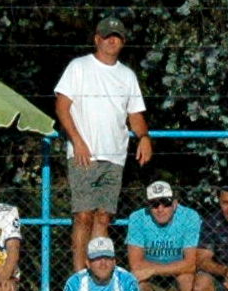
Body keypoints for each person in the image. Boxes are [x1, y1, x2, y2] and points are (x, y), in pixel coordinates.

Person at [54, 17, 150, 272]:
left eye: (116, 36)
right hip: (84, 154)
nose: (111, 40)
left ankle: (99, 271)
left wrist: (144, 138)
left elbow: (135, 115)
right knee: (83, 215)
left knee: (103, 217)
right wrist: (77, 141)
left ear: (123, 42)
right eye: (107, 36)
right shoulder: (79, 67)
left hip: (115, 156)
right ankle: (78, 274)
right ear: (97, 39)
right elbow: (62, 106)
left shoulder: (127, 76)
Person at [124, 180, 206, 291]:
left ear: (174, 204)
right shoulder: (137, 218)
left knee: (186, 279)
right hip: (150, 281)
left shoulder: (189, 217)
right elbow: (136, 266)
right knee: (135, 284)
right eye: (154, 204)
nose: (160, 209)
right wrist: (177, 266)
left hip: (177, 278)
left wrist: (153, 269)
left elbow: (191, 264)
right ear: (148, 206)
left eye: (165, 203)